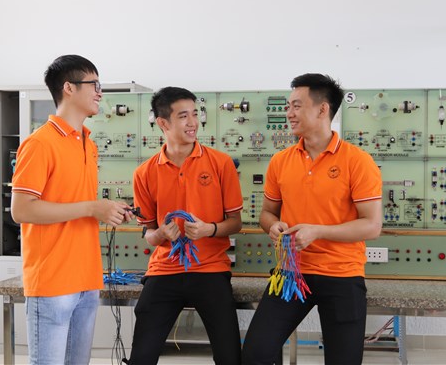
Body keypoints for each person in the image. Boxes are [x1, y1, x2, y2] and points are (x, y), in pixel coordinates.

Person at [242, 73, 383, 365]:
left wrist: (318, 232)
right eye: (288, 106)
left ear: (322, 109)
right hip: (291, 273)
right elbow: (267, 213)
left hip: (342, 275)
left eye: (296, 105)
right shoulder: (280, 161)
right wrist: (272, 226)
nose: (289, 113)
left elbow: (372, 225)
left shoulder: (358, 161)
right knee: (255, 354)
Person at [11, 54, 134, 365]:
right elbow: (22, 210)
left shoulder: (88, 144)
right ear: (68, 87)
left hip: (86, 279)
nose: (100, 93)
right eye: (94, 85)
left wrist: (109, 209)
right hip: (53, 282)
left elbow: (74, 201)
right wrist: (92, 208)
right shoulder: (40, 143)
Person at [127, 87, 243, 365]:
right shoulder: (144, 173)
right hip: (164, 269)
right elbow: (148, 233)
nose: (193, 122)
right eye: (183, 116)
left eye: (195, 114)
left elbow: (235, 223)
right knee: (141, 357)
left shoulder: (221, 164)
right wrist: (160, 234)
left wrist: (208, 230)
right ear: (163, 123)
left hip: (210, 269)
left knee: (229, 357)